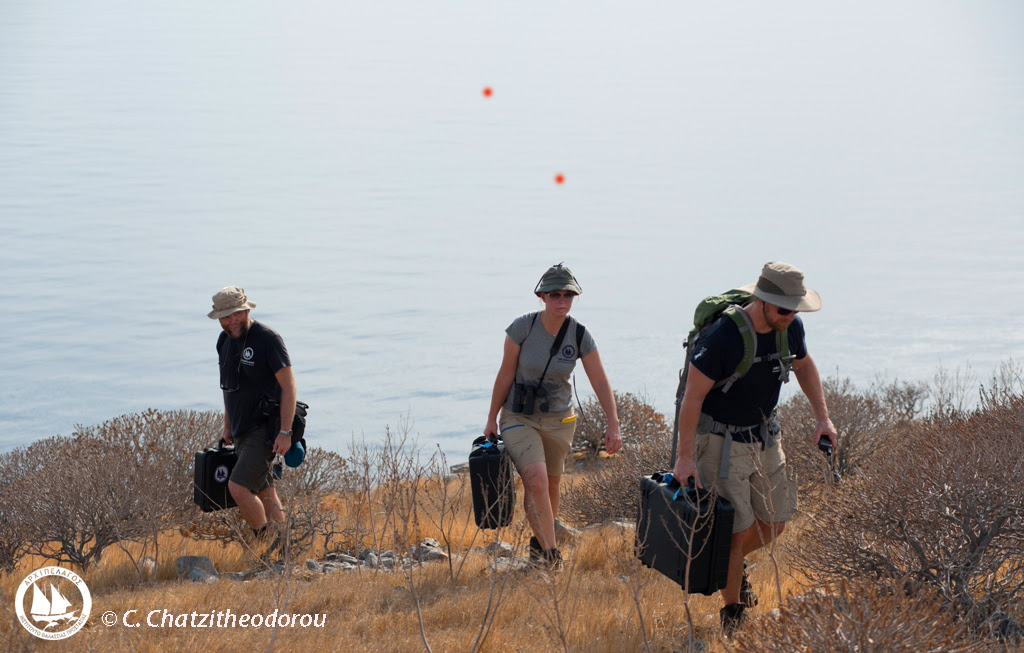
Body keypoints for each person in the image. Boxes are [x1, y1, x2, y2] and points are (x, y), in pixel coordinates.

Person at [671, 261, 838, 635]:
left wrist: (822, 418)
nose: (791, 315)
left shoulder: (789, 328)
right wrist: (685, 457)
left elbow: (805, 366)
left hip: (765, 438)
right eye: (784, 308)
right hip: (720, 443)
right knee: (733, 531)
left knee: (774, 522)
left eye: (796, 308)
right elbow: (692, 399)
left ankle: (727, 565)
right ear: (762, 300)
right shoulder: (723, 336)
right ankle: (734, 615)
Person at [484, 263, 622, 568]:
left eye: (568, 295)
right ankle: (551, 554)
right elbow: (505, 374)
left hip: (560, 420)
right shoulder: (522, 328)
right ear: (542, 296)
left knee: (551, 487)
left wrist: (613, 423)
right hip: (519, 417)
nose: (562, 300)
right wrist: (492, 418)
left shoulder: (580, 335)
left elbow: (600, 381)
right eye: (555, 294)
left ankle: (538, 546)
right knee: (537, 480)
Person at [208, 286, 297, 547]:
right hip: (240, 430)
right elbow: (229, 388)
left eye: (236, 314)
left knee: (238, 487)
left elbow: (289, 387)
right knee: (264, 490)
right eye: (226, 316)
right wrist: (227, 427)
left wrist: (285, 431)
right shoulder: (223, 341)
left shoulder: (268, 339)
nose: (232, 320)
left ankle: (262, 544)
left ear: (247, 310)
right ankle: (286, 549)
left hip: (266, 428)